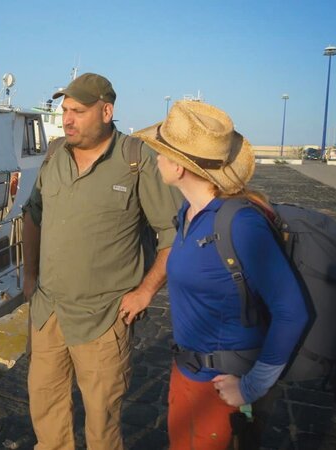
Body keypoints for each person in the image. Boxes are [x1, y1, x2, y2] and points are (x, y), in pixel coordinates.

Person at [134, 101, 308, 449]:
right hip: (186, 374)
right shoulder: (186, 213)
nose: (156, 159)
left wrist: (251, 386)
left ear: (181, 167)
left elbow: (293, 311)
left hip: (222, 388)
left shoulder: (240, 224)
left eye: (162, 152)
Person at [22, 73, 182, 449]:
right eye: (64, 111)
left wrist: (145, 293)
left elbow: (175, 235)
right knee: (46, 416)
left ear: (106, 111)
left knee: (102, 425)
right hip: (48, 314)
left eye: (78, 110)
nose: (68, 119)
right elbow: (32, 215)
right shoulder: (55, 155)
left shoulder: (137, 159)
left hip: (103, 319)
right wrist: (29, 276)